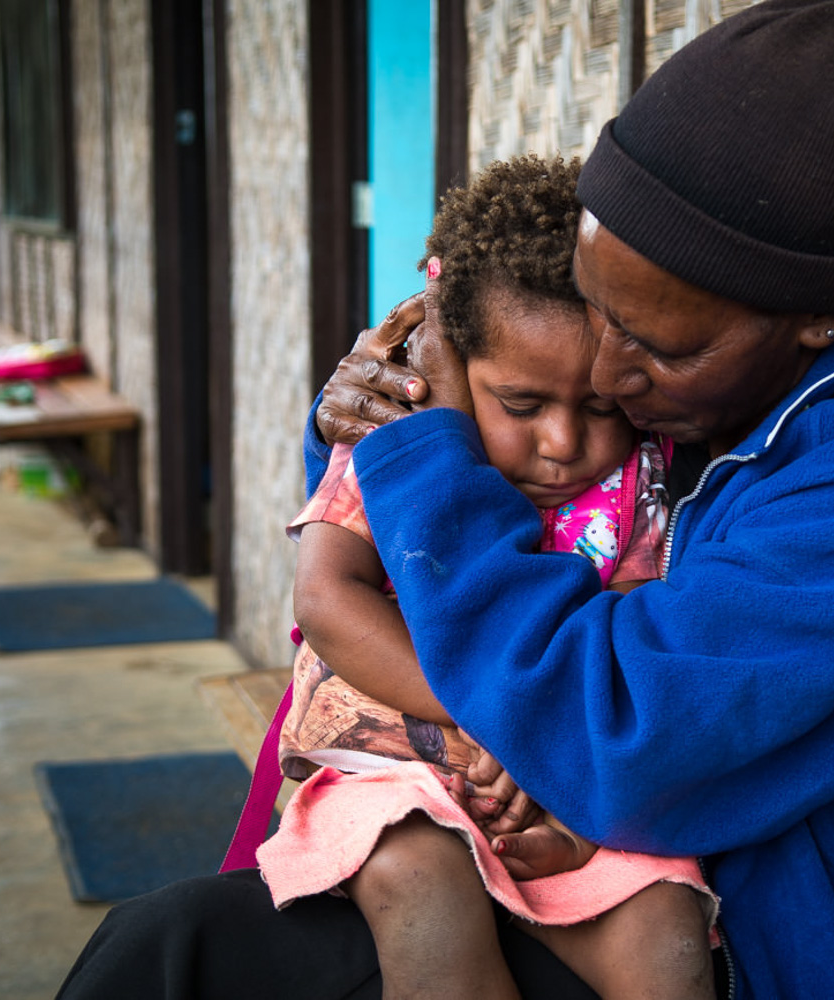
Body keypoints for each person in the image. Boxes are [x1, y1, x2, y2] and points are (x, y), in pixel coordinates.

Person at [57, 2, 834, 997]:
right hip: (554, 847)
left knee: (183, 964)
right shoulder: (714, 378)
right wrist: (368, 426)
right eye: (597, 308)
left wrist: (431, 461)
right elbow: (376, 564)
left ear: (813, 322)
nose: (609, 376)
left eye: (658, 345)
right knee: (157, 951)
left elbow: (618, 742)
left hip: (778, 946)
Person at [259, 154, 717, 1000]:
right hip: (395, 766)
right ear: (447, 366)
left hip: (558, 773)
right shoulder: (399, 444)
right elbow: (326, 598)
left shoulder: (646, 482)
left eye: (598, 407)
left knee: (664, 930)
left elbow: (636, 620)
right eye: (519, 405)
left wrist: (540, 742)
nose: (560, 443)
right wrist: (494, 710)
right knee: (420, 885)